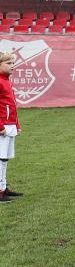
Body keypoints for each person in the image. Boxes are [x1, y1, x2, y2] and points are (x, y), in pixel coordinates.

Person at [0, 52, 22, 203]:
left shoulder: (7, 81)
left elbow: (12, 105)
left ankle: (3, 186)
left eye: (13, 63)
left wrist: (17, 125)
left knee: (5, 158)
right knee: (0, 158)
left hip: (10, 124)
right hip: (3, 126)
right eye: (8, 63)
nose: (12, 65)